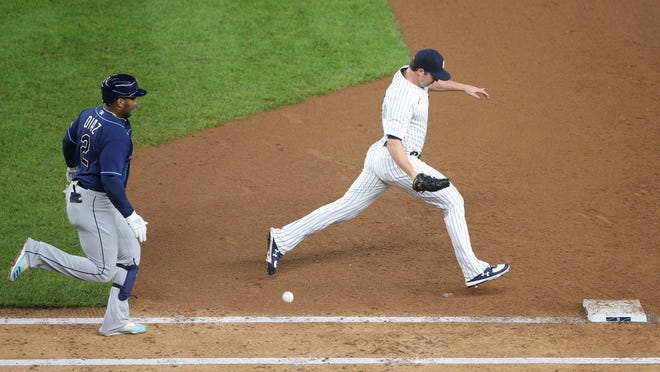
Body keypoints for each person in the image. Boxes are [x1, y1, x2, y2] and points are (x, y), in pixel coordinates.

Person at [266, 49, 510, 288]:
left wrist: (464, 87)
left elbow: (431, 85)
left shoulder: (411, 74)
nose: (437, 80)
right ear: (421, 71)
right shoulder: (400, 98)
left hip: (379, 157)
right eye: (434, 75)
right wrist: (415, 175)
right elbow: (395, 145)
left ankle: (282, 238)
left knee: (346, 207)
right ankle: (473, 270)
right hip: (397, 160)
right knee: (453, 202)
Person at [8, 74, 150, 336]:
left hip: (91, 197)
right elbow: (111, 181)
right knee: (102, 271)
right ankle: (37, 254)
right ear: (119, 102)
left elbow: (68, 141)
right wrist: (130, 215)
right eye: (132, 98)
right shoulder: (116, 134)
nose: (135, 102)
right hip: (93, 204)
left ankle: (116, 321)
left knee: (130, 255)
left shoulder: (90, 115)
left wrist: (72, 166)